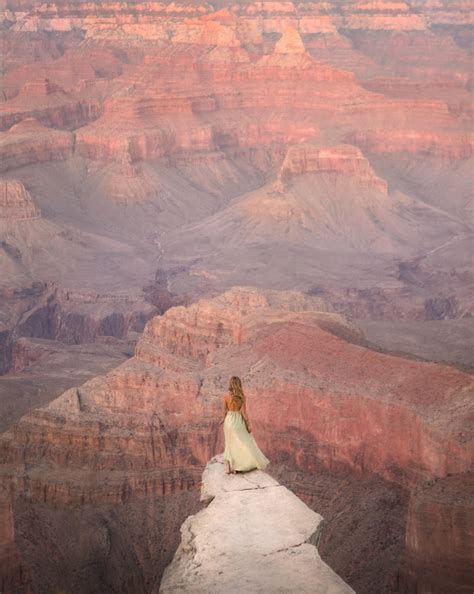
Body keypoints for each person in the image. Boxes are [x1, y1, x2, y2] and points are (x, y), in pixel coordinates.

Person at [222, 376, 270, 474]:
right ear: (239, 384)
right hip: (238, 421)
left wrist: (225, 421)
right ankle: (237, 466)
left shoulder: (226, 396)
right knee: (243, 442)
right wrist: (248, 424)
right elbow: (244, 412)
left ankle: (228, 467)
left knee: (229, 443)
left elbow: (224, 411)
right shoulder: (242, 396)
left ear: (230, 384)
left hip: (229, 421)